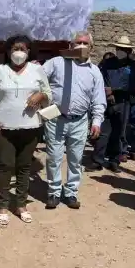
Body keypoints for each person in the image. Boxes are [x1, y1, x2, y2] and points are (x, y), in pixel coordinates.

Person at [0, 35, 52, 226]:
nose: (18, 52)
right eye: (14, 48)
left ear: (29, 52)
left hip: (31, 127)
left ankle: (21, 204)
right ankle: (2, 205)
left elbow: (49, 93)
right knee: (5, 166)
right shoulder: (0, 70)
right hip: (4, 127)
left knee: (24, 167)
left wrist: (40, 95)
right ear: (8, 52)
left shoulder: (37, 70)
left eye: (22, 48)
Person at [41, 30, 107, 210]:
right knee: (53, 158)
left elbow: (98, 99)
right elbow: (38, 78)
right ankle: (54, 192)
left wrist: (96, 121)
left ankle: (70, 192)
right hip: (56, 118)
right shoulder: (56, 63)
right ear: (70, 46)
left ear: (91, 48)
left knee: (75, 159)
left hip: (80, 120)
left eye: (85, 43)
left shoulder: (95, 72)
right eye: (78, 42)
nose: (81, 46)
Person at [90, 35, 135, 174]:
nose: (120, 51)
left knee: (119, 132)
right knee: (104, 131)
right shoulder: (108, 63)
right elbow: (101, 79)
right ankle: (98, 160)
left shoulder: (133, 66)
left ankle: (114, 160)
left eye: (123, 49)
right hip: (106, 101)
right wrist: (108, 94)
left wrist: (114, 90)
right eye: (119, 48)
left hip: (123, 102)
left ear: (129, 51)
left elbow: (133, 85)